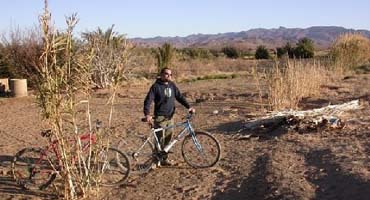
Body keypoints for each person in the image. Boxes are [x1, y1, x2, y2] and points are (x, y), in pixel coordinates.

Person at [143, 67, 195, 166]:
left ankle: (163, 159)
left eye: (170, 74)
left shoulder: (172, 85)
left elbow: (179, 97)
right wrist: (147, 114)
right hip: (160, 117)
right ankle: (155, 161)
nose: (169, 76)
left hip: (170, 117)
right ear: (161, 74)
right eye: (167, 74)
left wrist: (189, 107)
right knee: (159, 140)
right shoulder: (156, 87)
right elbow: (148, 100)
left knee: (167, 139)